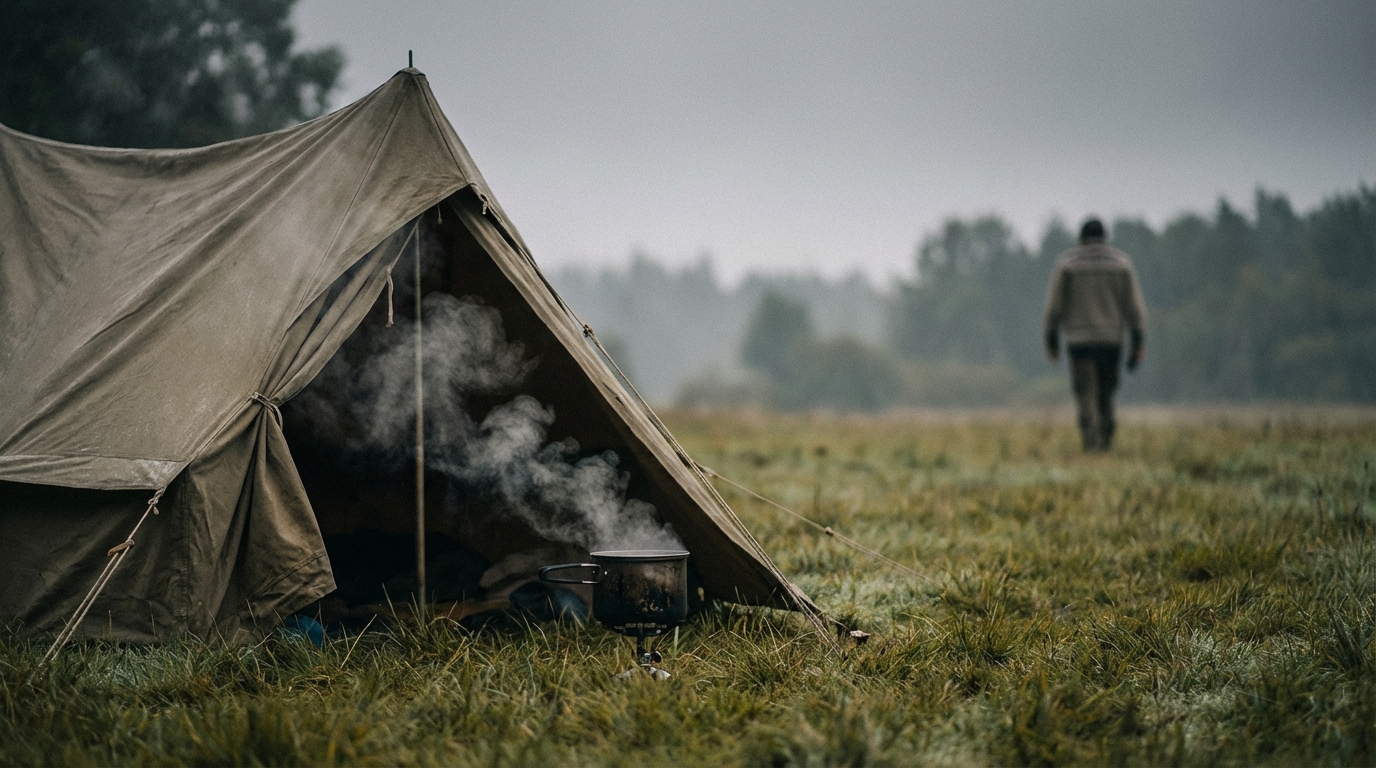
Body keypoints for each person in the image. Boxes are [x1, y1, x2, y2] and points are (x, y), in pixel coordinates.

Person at [1043, 218, 1146, 452]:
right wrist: (1138, 342)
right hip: (1112, 340)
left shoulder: (1068, 264)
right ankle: (1106, 438)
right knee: (1107, 393)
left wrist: (1051, 339)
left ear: (1081, 238)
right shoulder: (1121, 264)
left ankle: (1092, 442)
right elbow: (1135, 307)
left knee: (1086, 394)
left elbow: (1054, 307)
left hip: (1079, 342)